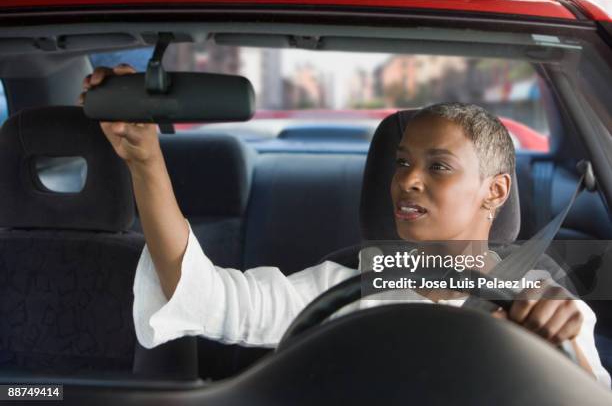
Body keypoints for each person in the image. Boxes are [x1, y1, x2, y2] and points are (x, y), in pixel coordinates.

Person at [81, 65, 610, 386]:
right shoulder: (340, 289)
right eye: (401, 163)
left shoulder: (544, 306)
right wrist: (145, 161)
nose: (408, 182)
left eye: (438, 166)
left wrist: (553, 352)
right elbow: (206, 296)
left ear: (495, 190)